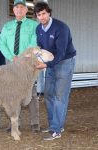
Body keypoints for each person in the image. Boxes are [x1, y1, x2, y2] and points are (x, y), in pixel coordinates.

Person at [33, 2, 76, 140]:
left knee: (59, 96)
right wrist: (37, 55)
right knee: (48, 94)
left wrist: (46, 65)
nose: (42, 17)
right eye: (39, 15)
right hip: (50, 62)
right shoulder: (39, 29)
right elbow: (41, 46)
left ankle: (56, 130)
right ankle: (55, 125)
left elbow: (62, 53)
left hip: (64, 62)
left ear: (49, 12)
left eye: (44, 13)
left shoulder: (61, 28)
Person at [0, 0, 40, 132]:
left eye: (22, 7)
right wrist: (12, 57)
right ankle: (15, 123)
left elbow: (34, 42)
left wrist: (22, 58)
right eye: (17, 7)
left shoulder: (34, 25)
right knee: (12, 94)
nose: (19, 9)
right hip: (11, 64)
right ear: (13, 10)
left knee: (31, 93)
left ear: (26, 10)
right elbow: (2, 44)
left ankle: (35, 123)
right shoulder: (7, 26)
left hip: (27, 64)